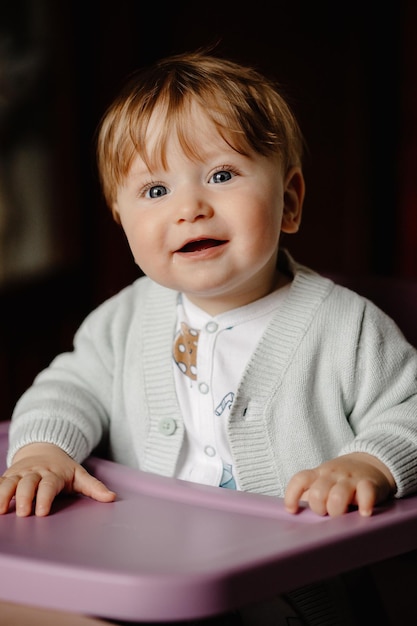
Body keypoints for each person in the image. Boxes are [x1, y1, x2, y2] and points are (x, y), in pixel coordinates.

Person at [1, 49, 417, 625]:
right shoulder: (126, 319)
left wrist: (369, 463)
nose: (190, 208)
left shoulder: (346, 328)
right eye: (154, 191)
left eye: (222, 176)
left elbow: (410, 408)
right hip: (136, 570)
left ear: (289, 201)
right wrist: (44, 449)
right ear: (121, 223)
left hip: (288, 589)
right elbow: (69, 387)